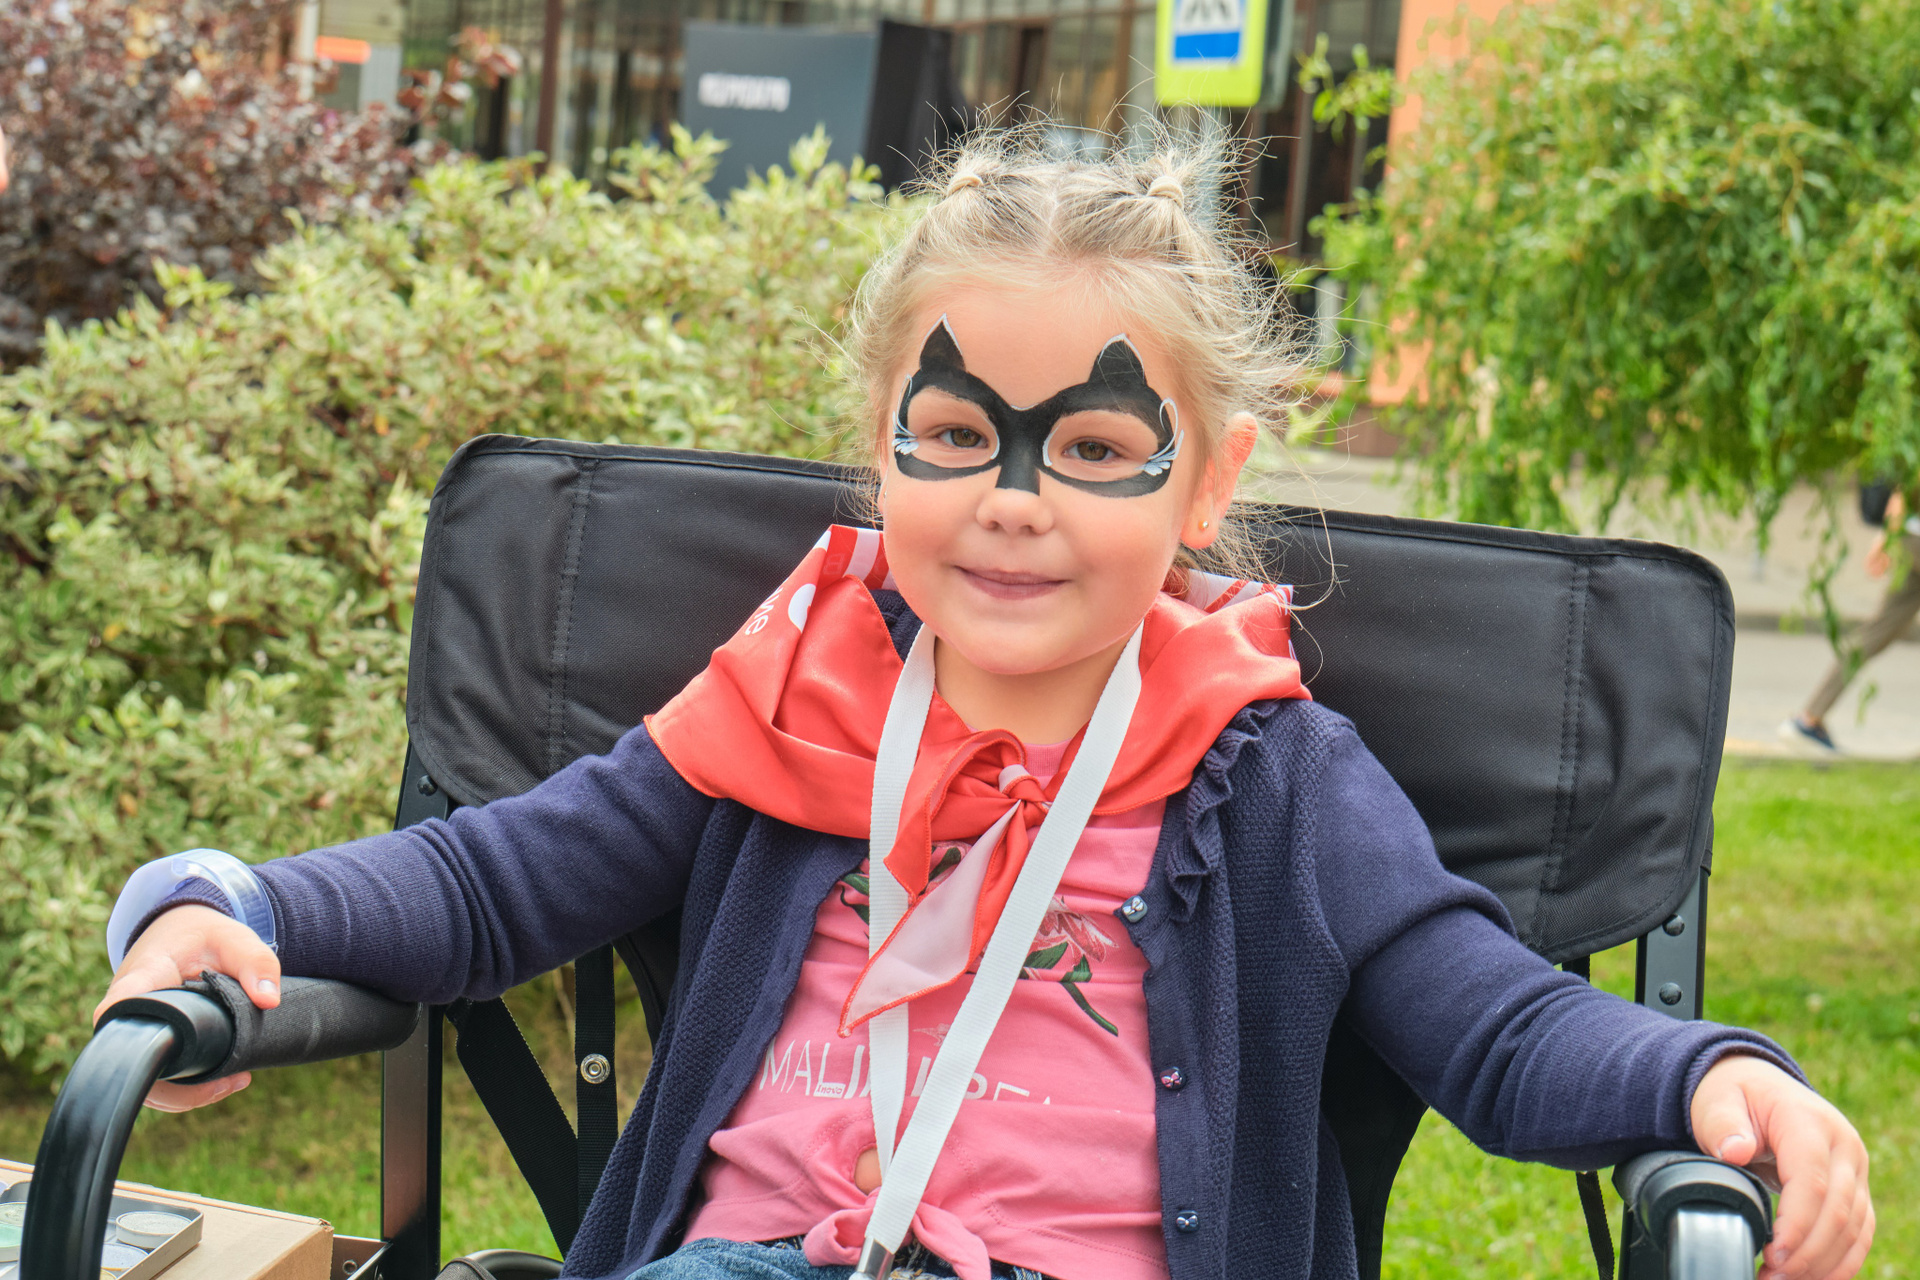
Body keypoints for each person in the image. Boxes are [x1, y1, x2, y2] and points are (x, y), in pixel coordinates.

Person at [96, 129, 1872, 1280]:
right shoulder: (790, 691)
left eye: (1094, 449)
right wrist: (230, 905)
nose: (1015, 500)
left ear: (1207, 482)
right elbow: (492, 881)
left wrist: (1707, 1075)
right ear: (879, 451)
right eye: (955, 436)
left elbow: (1491, 1024)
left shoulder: (1274, 773)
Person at [1783, 484, 1920, 752]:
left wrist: (1887, 536)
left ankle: (1809, 718)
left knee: (1878, 630)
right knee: (1879, 630)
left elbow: (1906, 487)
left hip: (1910, 539)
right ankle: (1808, 719)